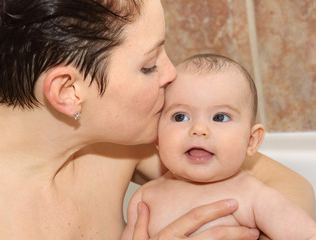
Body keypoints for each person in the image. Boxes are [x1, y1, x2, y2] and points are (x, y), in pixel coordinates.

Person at [0, 0, 314, 239]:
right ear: (68, 91)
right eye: (149, 65)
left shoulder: (120, 137)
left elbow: (289, 185)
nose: (171, 73)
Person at [123, 54, 316, 239]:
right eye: (180, 117)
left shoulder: (253, 195)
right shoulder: (144, 199)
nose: (199, 129)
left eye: (219, 117)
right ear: (157, 138)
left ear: (251, 141)